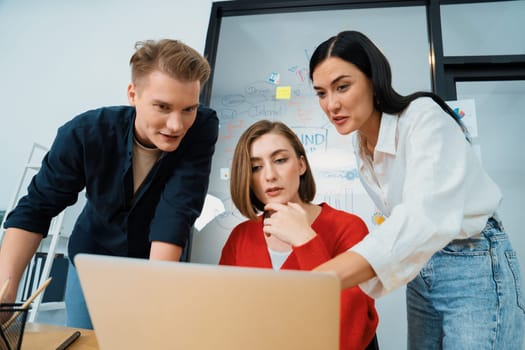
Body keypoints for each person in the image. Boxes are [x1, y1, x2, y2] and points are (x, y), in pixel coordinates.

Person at [309, 30, 525, 349]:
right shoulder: (361, 145)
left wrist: (317, 281)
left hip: (473, 260)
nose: (332, 104)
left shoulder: (422, 117)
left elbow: (421, 218)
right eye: (321, 93)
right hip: (424, 269)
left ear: (373, 78)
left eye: (342, 86)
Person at [0, 39, 219, 329]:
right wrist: (6, 292)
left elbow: (177, 209)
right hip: (92, 257)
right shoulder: (84, 134)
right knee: (85, 340)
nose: (177, 125)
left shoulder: (201, 127)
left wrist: (155, 294)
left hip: (154, 262)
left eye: (188, 109)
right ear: (133, 94)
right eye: (162, 107)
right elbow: (37, 208)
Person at [219, 119, 379, 350]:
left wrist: (305, 240)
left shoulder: (348, 227)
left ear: (301, 165)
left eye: (280, 160)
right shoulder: (241, 236)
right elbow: (225, 324)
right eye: (256, 167)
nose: (270, 175)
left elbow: (347, 337)